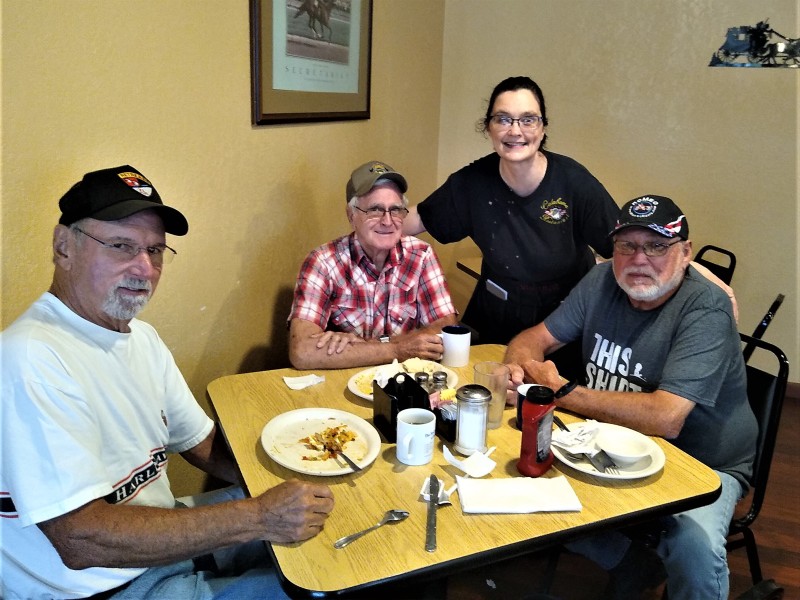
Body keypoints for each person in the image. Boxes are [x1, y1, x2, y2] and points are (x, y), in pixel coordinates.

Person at [0, 165, 334, 600]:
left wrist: (296, 475)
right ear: (64, 247)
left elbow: (199, 444)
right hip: (100, 588)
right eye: (122, 246)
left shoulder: (140, 337)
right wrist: (261, 516)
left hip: (158, 544)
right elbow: (81, 540)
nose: (145, 268)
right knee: (318, 590)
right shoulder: (30, 358)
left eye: (156, 250)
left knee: (330, 520)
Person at [504, 195, 757, 600]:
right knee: (524, 483)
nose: (639, 259)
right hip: (608, 441)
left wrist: (563, 391)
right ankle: (630, 562)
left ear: (685, 252)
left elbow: (665, 418)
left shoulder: (705, 308)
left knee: (694, 546)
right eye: (627, 246)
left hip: (702, 462)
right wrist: (520, 366)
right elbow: (535, 337)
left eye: (657, 246)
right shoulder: (602, 280)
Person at [402, 76, 620, 350]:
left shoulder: (574, 182)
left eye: (528, 119)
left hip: (563, 321)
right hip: (496, 310)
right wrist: (363, 226)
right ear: (488, 128)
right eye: (503, 119)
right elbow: (416, 219)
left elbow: (623, 245)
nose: (515, 131)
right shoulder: (473, 182)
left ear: (542, 129)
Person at [288, 160, 458, 370]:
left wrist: (362, 348)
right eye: (375, 210)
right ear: (352, 216)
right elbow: (302, 352)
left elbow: (446, 328)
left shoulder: (421, 255)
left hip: (405, 381)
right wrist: (398, 349)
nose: (387, 221)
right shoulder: (323, 262)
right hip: (342, 383)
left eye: (395, 210)